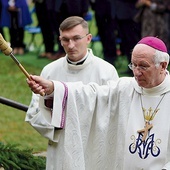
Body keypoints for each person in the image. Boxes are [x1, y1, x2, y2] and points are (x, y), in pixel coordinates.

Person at [26, 36, 170, 169]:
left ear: (163, 66)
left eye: (143, 66)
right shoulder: (125, 88)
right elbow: (92, 95)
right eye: (133, 65)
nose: (137, 72)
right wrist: (54, 88)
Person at [25, 16, 119, 170]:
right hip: (60, 145)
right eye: (65, 40)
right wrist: (55, 119)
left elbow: (114, 113)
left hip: (93, 145)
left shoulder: (106, 72)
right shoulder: (50, 70)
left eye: (76, 38)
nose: (71, 45)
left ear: (88, 38)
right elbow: (34, 112)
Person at [90, 0, 141, 68]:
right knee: (109, 39)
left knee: (131, 41)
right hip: (109, 12)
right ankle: (109, 65)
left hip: (128, 13)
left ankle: (135, 66)